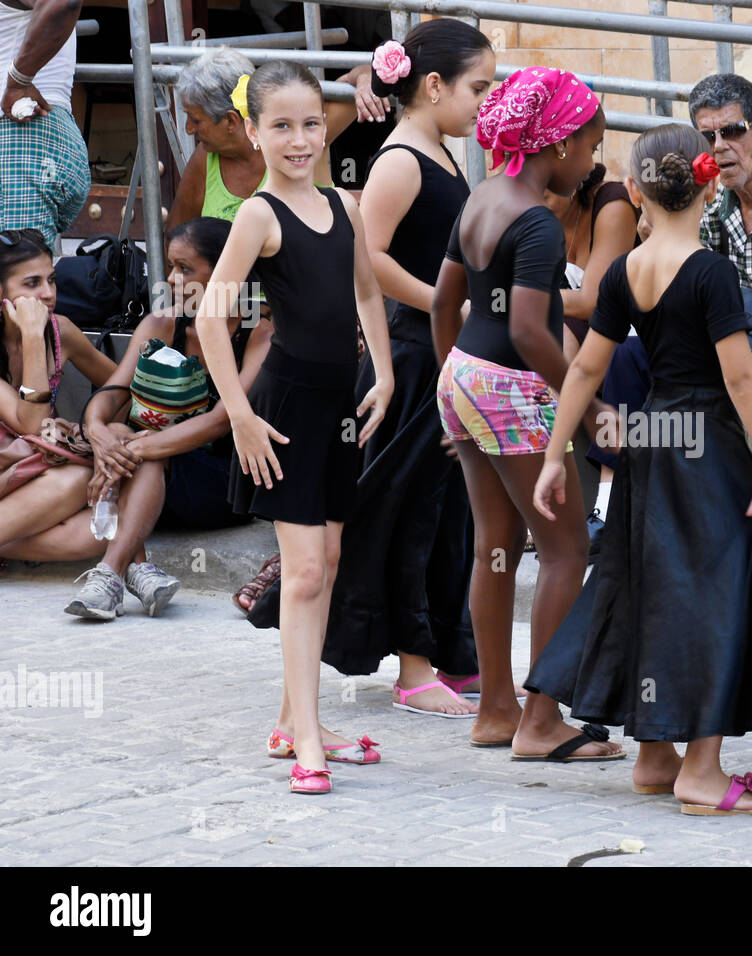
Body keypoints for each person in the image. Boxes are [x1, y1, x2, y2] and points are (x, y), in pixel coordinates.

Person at [527, 123, 752, 813]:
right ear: (710, 183)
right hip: (708, 448)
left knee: (647, 585)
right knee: (710, 596)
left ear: (634, 191)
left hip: (650, 441)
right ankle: (702, 772)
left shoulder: (626, 267)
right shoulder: (712, 271)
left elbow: (587, 369)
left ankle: (657, 757)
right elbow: (742, 378)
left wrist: (553, 455)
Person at [195, 61, 393, 795]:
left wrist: (386, 371)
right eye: (281, 126)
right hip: (283, 412)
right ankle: (306, 733)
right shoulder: (257, 215)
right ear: (254, 132)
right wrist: (239, 414)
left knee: (328, 565)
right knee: (306, 573)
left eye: (312, 122)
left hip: (340, 404)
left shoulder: (345, 203)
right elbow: (212, 316)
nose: (300, 138)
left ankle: (293, 719)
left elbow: (366, 286)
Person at [432, 66, 622, 759]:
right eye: (592, 146)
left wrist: (451, 383)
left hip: (465, 378)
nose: (594, 163)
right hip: (512, 388)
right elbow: (531, 332)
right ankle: (542, 723)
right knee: (567, 547)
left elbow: (441, 303)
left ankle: (497, 710)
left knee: (496, 544)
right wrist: (592, 406)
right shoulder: (539, 221)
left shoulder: (483, 197)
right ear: (561, 143)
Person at [322, 20, 497, 717]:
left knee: (448, 511)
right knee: (406, 511)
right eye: (477, 87)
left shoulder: (440, 151)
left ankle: (449, 654)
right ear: (433, 86)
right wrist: (446, 305)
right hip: (416, 356)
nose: (486, 101)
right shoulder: (401, 159)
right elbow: (371, 257)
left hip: (440, 350)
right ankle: (414, 668)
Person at [600, 73, 752, 528]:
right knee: (627, 357)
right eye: (707, 135)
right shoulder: (710, 205)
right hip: (728, 353)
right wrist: (649, 237)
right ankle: (616, 500)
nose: (720, 145)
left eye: (732, 131)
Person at [58, 217, 272, 620]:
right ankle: (137, 572)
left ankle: (110, 571)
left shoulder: (259, 332)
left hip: (226, 481)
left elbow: (222, 421)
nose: (172, 279)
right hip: (151, 476)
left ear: (229, 269)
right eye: (172, 267)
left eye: (185, 268)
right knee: (123, 429)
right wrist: (100, 431)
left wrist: (129, 447)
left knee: (145, 444)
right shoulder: (161, 324)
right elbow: (112, 394)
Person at [0, 228, 115, 560]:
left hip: (24, 472)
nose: (49, 294)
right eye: (33, 283)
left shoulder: (60, 330)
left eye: (52, 280)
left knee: (100, 532)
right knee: (78, 480)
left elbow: (118, 388)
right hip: (17, 468)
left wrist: (106, 427)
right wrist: (33, 337)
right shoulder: (41, 333)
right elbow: (32, 424)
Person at [168, 47, 376, 227]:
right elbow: (177, 238)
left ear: (231, 121)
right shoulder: (205, 159)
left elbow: (355, 78)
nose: (188, 129)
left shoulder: (300, 142)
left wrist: (365, 78)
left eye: (195, 120)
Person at [543, 165, 639, 555]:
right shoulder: (525, 210)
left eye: (546, 191)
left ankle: (588, 504)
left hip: (625, 336)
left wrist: (519, 303)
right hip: (579, 345)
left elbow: (591, 302)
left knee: (558, 330)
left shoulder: (611, 202)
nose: (535, 197)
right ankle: (546, 496)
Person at [0, 0, 89, 246]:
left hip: (21, 143)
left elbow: (63, 2)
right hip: (26, 145)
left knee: (17, 275)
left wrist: (18, 80)